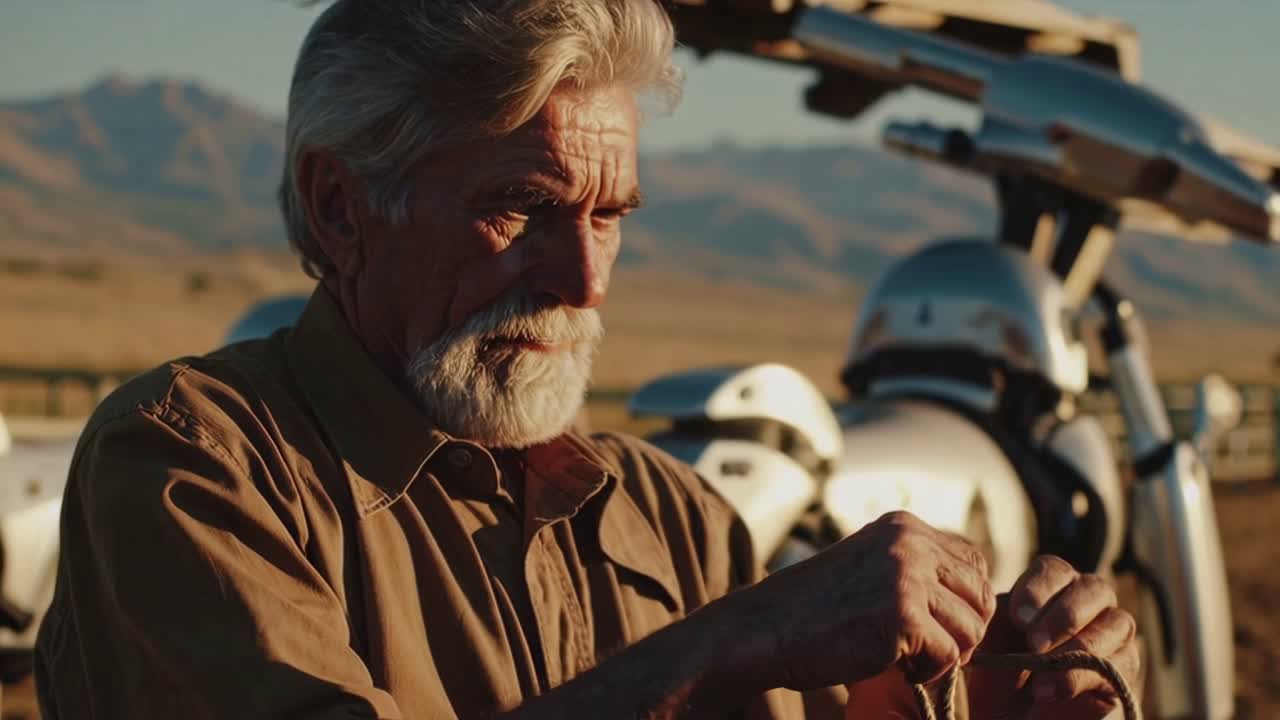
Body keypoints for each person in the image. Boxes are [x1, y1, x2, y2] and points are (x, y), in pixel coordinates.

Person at [34, 2, 1138, 718]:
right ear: (339, 209)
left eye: (610, 216)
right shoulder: (192, 464)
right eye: (521, 207)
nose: (585, 281)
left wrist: (1013, 690)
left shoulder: (669, 517)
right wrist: (731, 643)